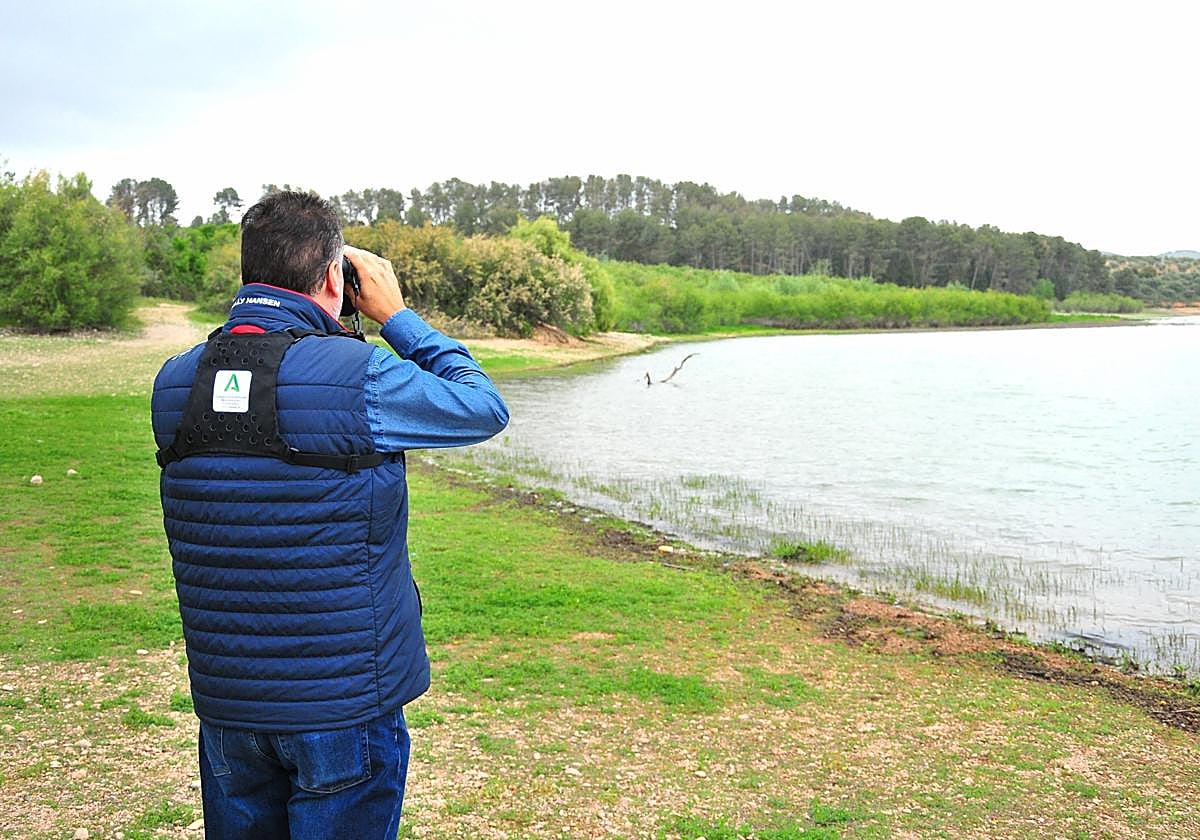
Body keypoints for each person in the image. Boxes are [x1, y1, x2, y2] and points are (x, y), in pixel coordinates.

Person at [150, 191, 509, 839]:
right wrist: (397, 318)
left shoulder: (175, 382)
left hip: (230, 703)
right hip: (343, 705)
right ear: (333, 278)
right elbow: (482, 407)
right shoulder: (359, 377)